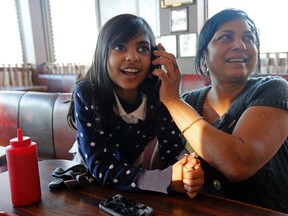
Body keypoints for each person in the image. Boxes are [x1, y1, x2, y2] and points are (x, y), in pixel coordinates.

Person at [152, 9, 288, 213]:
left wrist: (172, 101)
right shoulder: (189, 101)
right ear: (204, 58)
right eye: (226, 37)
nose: (240, 45)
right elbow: (156, 168)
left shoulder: (272, 90)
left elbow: (238, 164)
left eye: (248, 38)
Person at [67, 14, 204, 198]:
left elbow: (171, 149)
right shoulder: (87, 93)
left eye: (142, 48)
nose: (132, 57)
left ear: (155, 57)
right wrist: (163, 179)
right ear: (102, 54)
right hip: (87, 183)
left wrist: (187, 167)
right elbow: (100, 165)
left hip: (133, 181)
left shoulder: (158, 95)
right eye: (119, 47)